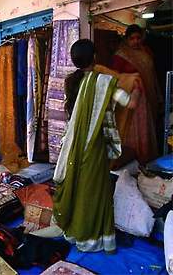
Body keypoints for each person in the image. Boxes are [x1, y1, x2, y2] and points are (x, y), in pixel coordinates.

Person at [53, 39, 141, 253]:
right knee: (95, 191)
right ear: (94, 57)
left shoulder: (72, 82)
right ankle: (92, 237)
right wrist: (137, 87)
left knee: (78, 186)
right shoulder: (104, 82)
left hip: (74, 143)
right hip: (95, 146)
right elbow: (130, 103)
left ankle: (75, 231)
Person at [111, 24, 159, 163]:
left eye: (138, 38)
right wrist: (132, 80)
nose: (136, 41)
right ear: (126, 39)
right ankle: (134, 161)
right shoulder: (120, 56)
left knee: (145, 130)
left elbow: (153, 75)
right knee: (131, 131)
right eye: (132, 38)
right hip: (129, 100)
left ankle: (146, 160)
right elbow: (115, 78)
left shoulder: (146, 52)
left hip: (145, 99)